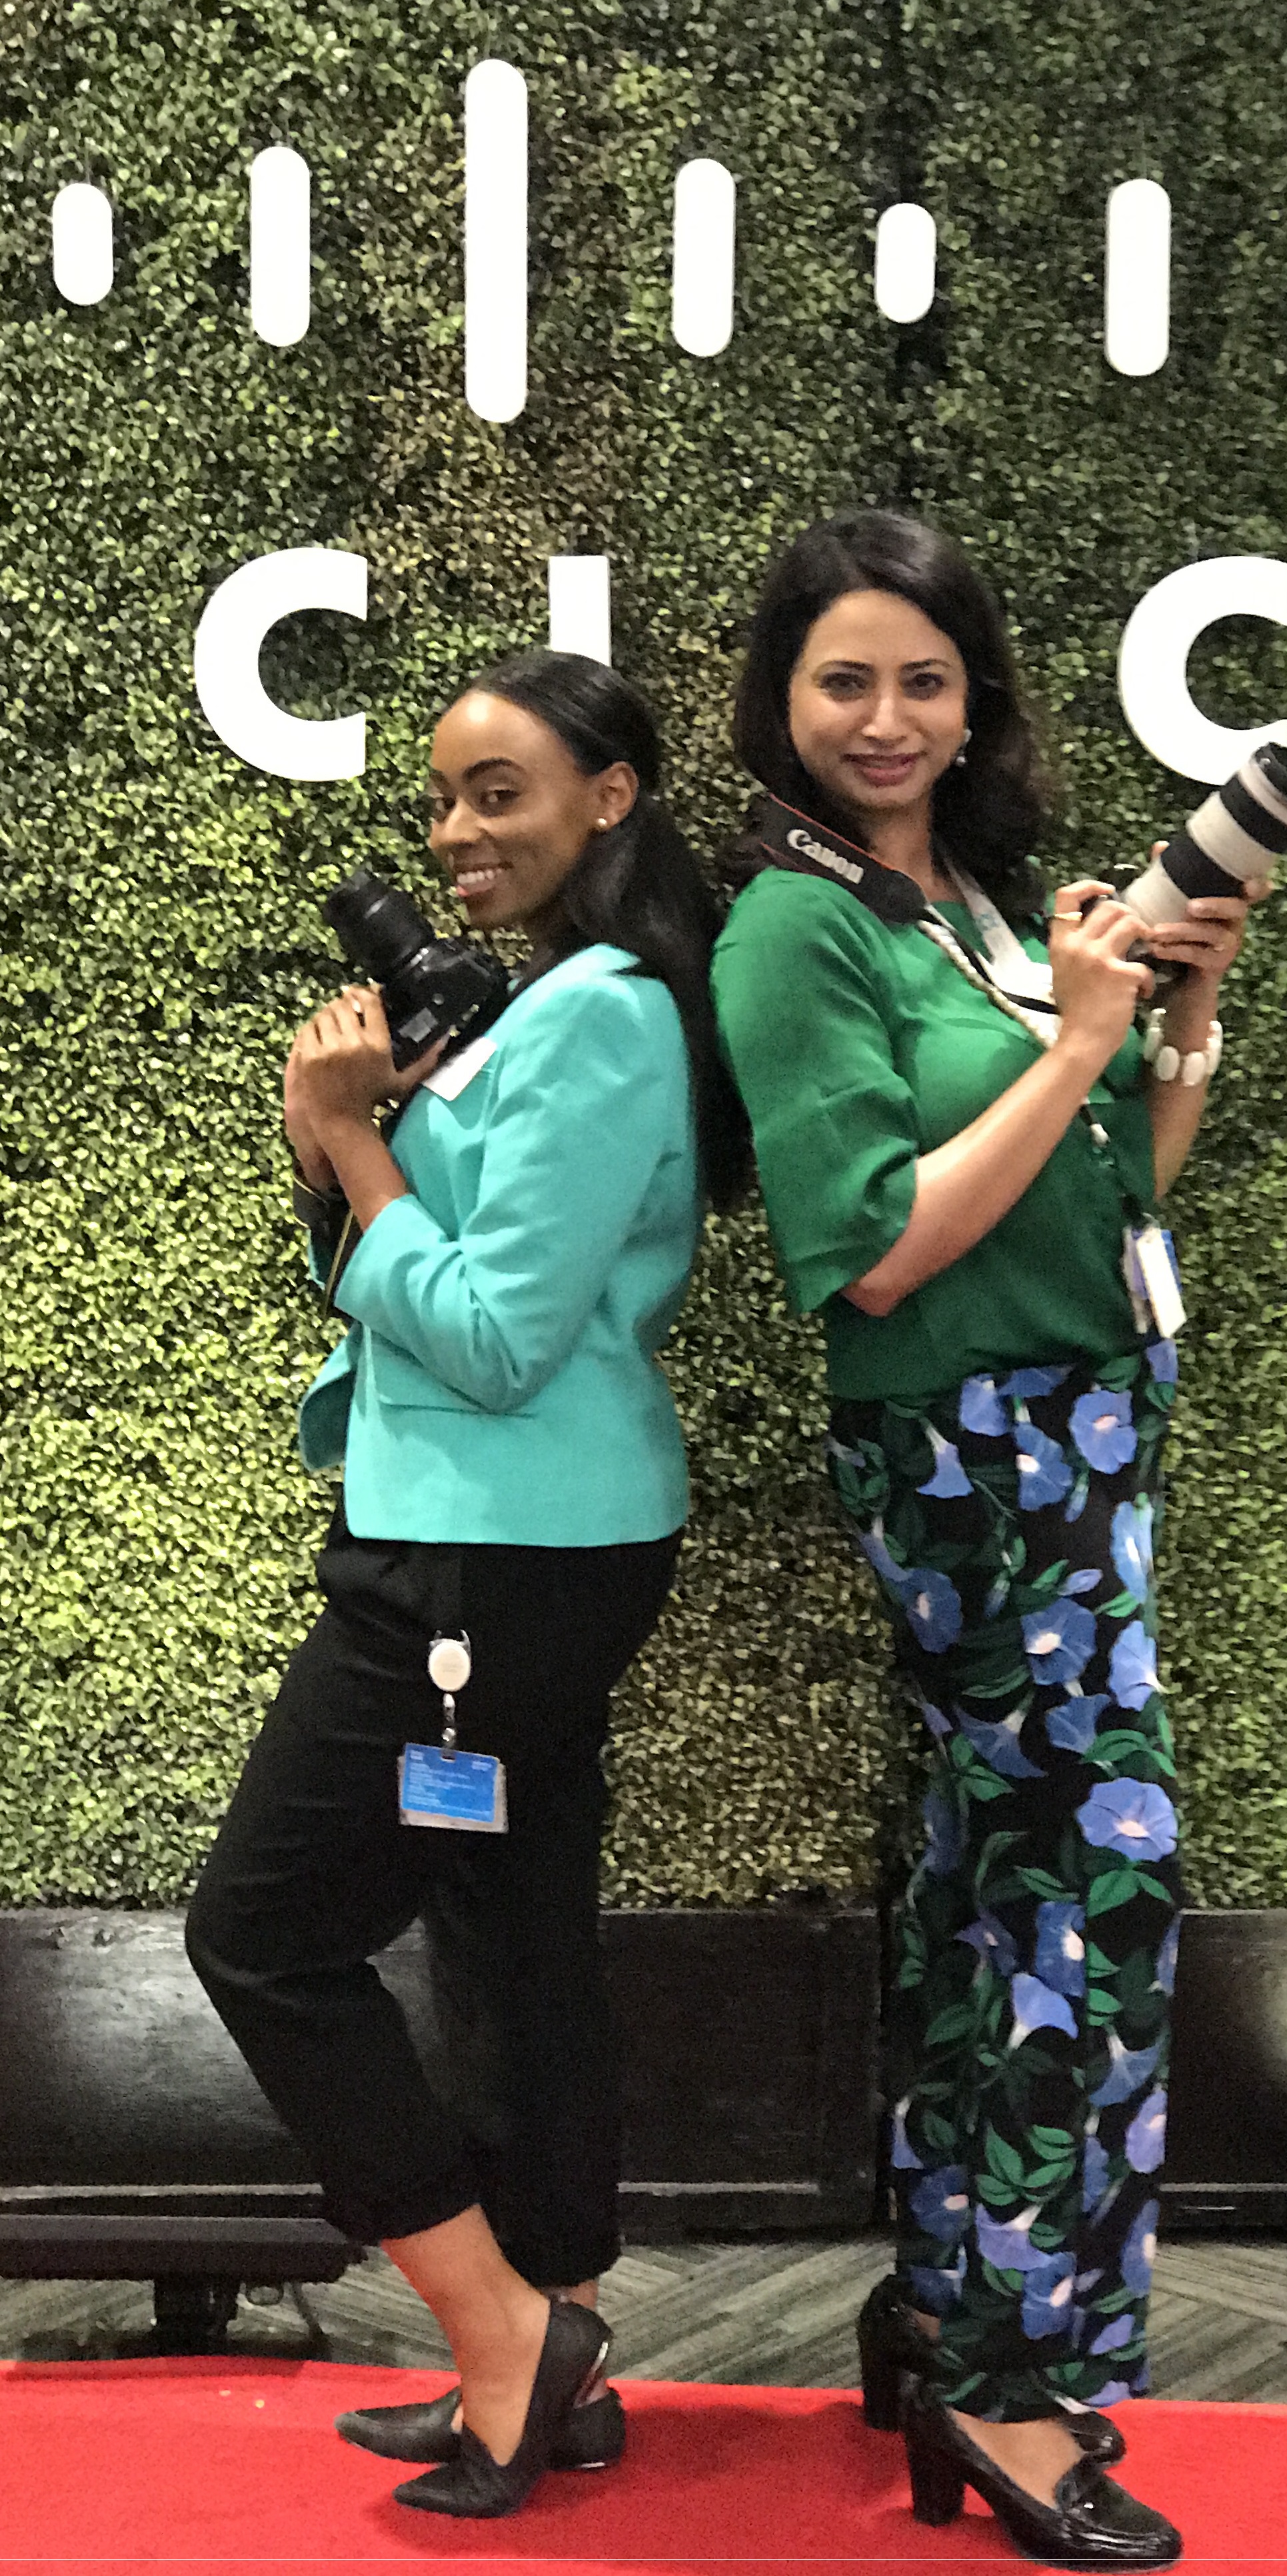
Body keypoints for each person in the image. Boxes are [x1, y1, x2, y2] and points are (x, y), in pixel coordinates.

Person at [710, 512, 1258, 2571]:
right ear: (782, 697)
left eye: (921, 679)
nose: (883, 717)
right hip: (966, 1447)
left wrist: (1169, 1014)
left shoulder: (984, 896)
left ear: (973, 698)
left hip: (1089, 1428)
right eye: (843, 679)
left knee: (987, 1879)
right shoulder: (793, 926)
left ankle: (950, 2304)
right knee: (1087, 1907)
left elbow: (1107, 1173)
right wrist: (1084, 1039)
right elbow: (868, 1252)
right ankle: (1024, 2384)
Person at [187, 649, 747, 2520]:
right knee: (512, 1940)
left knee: (263, 1933)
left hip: (490, 1553)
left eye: (498, 790)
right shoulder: (545, 1011)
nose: (451, 830)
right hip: (510, 1540)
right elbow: (436, 1285)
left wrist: (350, 1138)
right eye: (441, 796)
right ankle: (551, 2341)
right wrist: (344, 1137)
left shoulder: (596, 1016)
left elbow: (499, 1337)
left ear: (612, 795)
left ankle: (499, 2325)